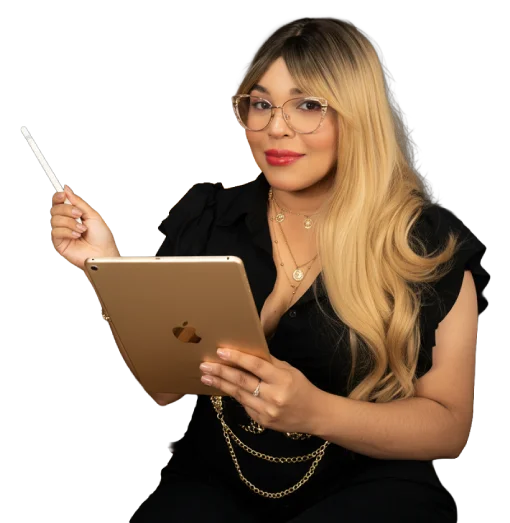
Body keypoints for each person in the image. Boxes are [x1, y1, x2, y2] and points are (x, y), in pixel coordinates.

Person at [49, 16, 488, 523]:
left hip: (370, 486)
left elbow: (448, 429)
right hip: (217, 479)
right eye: (261, 104)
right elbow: (165, 387)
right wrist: (105, 267)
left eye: (308, 105)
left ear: (358, 116)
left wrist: (315, 412)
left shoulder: (427, 245)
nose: (276, 128)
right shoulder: (209, 218)